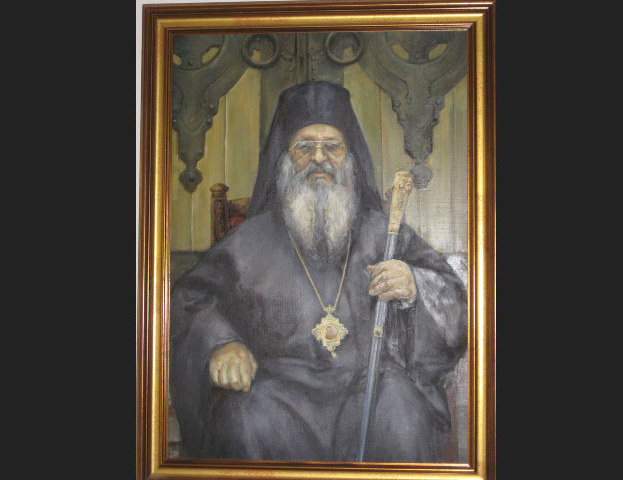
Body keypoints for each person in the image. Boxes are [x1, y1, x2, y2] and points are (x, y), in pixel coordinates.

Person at [170, 81, 467, 463]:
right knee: (241, 417)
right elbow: (190, 301)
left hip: (371, 388)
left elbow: (455, 300)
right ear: (284, 159)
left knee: (403, 412)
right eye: (304, 147)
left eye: (332, 146)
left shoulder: (384, 232)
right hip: (277, 395)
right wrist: (220, 343)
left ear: (350, 157)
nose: (319, 158)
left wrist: (415, 286)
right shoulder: (247, 242)